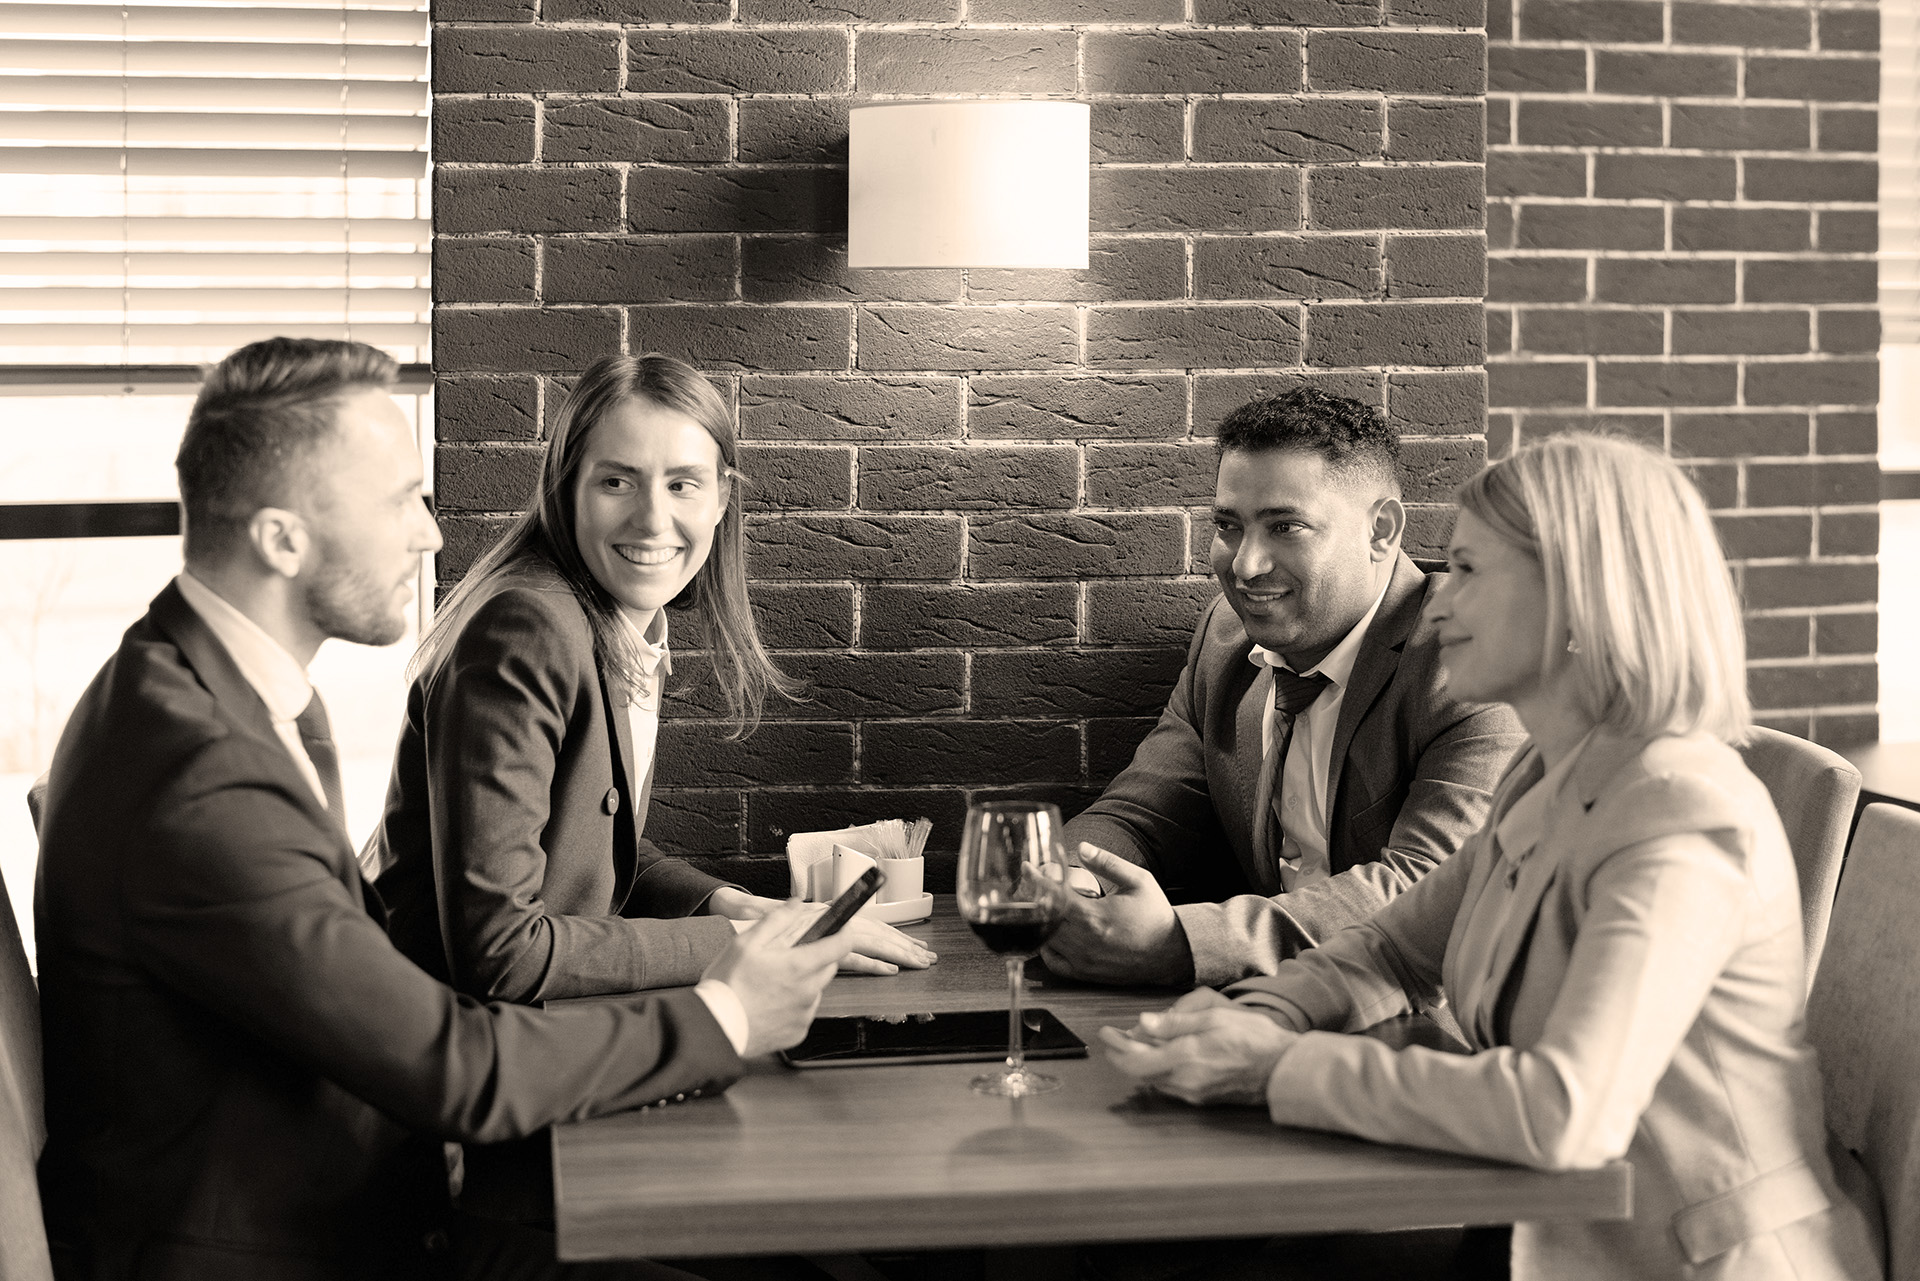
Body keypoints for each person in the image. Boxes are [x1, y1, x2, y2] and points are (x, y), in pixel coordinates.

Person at [33, 337, 856, 1281]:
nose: (429, 534)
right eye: (397, 501)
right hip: (309, 1243)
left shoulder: (188, 689)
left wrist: (726, 926)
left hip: (357, 1186)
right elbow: (455, 1067)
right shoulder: (201, 773)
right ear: (281, 538)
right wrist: (727, 1014)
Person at [1103, 434, 1885, 1281]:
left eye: (1470, 572)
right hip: (1544, 1226)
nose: (1436, 609)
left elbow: (1564, 1114)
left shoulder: (1681, 818)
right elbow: (1394, 946)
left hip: (1686, 1261)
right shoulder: (1546, 771)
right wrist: (1265, 1014)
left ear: (1582, 597)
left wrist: (1276, 1068)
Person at [364, 351, 931, 1229]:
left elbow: (599, 844)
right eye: (617, 481)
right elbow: (502, 952)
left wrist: (730, 901)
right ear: (565, 486)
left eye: (682, 483)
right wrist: (737, 947)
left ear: (722, 496)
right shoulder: (531, 627)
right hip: (461, 1131)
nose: (652, 517)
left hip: (537, 1064)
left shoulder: (616, 617)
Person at [1045, 389, 1525, 989]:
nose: (1244, 566)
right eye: (1228, 526)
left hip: (1424, 1027)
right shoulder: (1224, 641)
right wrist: (1069, 882)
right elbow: (1143, 811)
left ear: (1381, 531)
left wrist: (1182, 945)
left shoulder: (1471, 660)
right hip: (1266, 1012)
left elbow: (1427, 890)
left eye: (1285, 527)